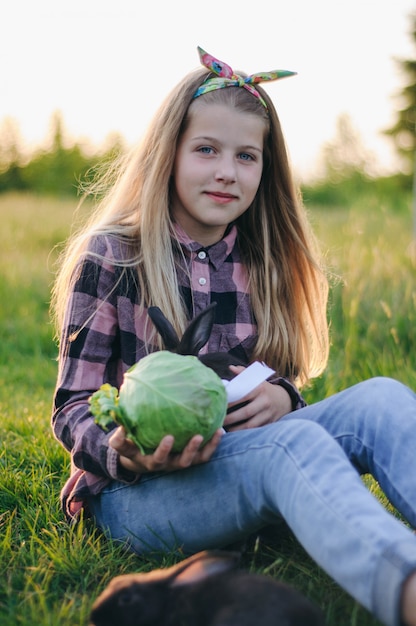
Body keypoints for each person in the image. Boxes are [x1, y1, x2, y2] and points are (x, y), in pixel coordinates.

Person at [51, 46, 416, 626]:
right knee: (291, 448)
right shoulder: (114, 255)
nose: (227, 171)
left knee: (382, 399)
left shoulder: (262, 258)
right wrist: (128, 453)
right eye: (206, 150)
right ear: (166, 154)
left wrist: (284, 396)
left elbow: (270, 373)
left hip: (242, 460)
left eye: (246, 156)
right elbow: (72, 407)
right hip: (135, 496)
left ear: (266, 169)